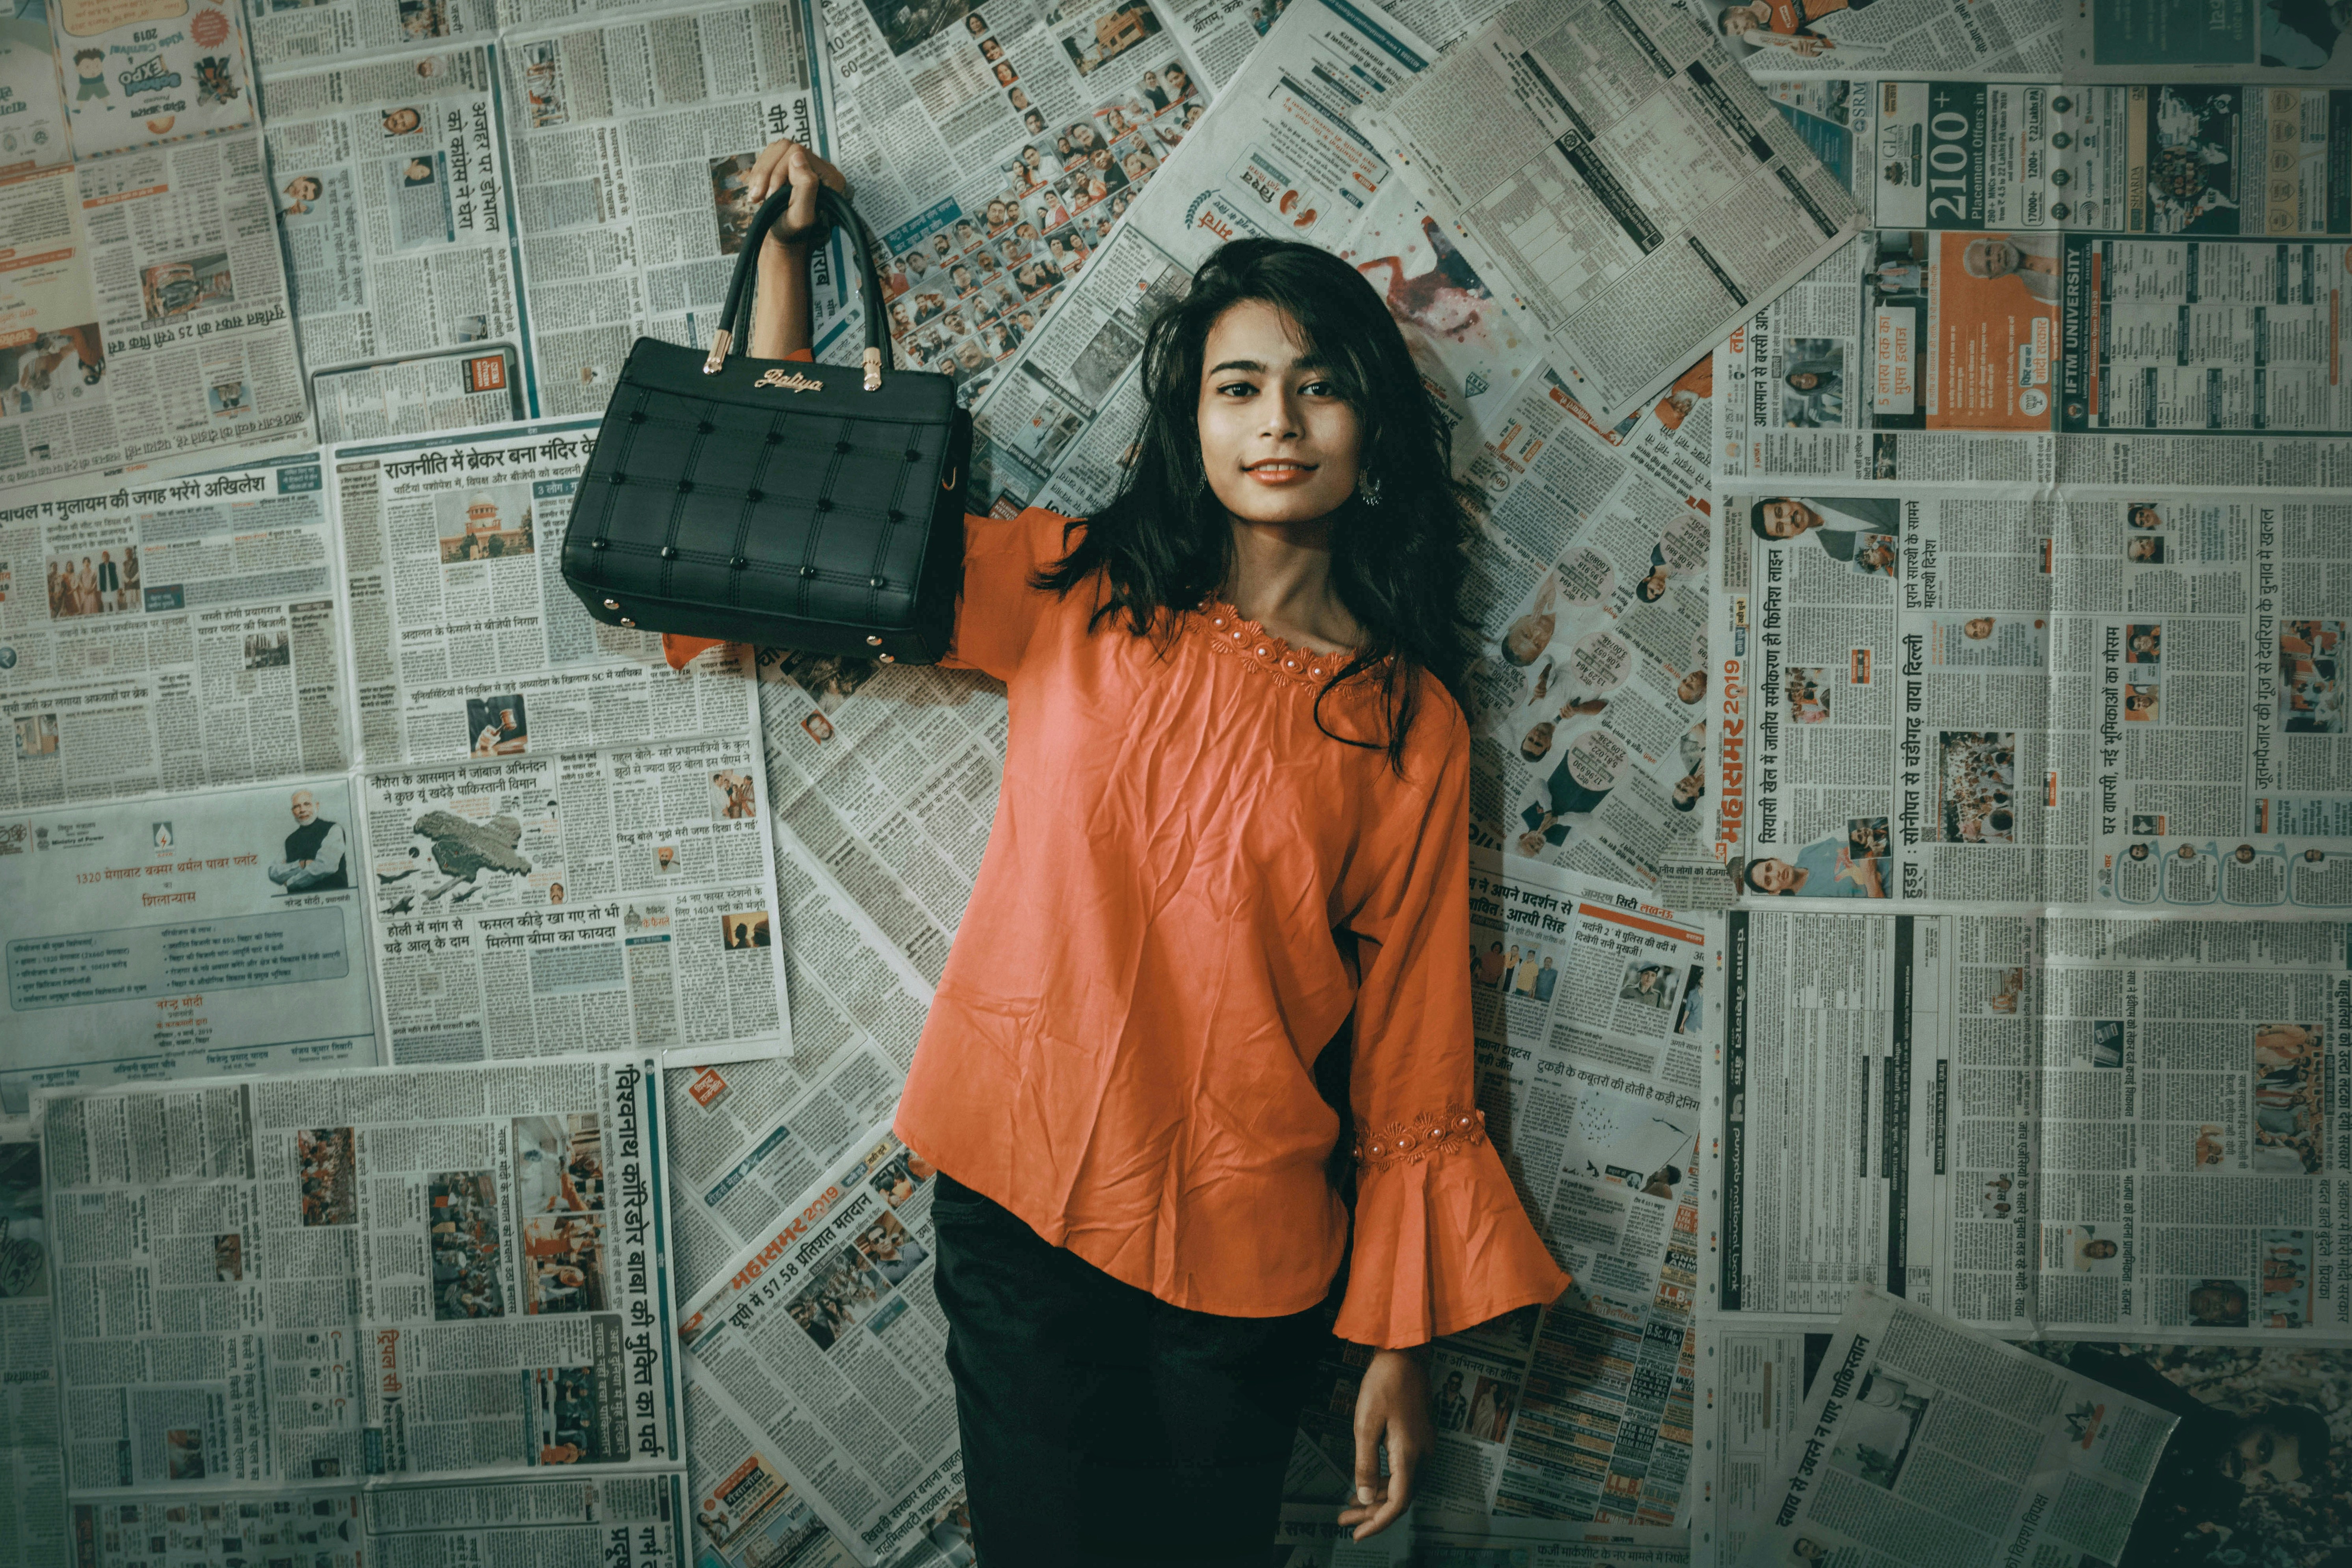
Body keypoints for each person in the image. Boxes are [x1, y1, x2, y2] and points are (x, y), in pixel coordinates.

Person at [723, 137, 1571, 1566]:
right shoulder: (1075, 589)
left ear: (1371, 429)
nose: (1277, 420)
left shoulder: (1406, 720)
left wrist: (1396, 1342)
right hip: (1019, 1208)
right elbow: (802, 515)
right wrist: (788, 263)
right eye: (1236, 387)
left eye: (1318, 385)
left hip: (1246, 1261)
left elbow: (1414, 1047)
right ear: (1189, 422)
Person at [1749, 496, 1901, 564]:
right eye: (1781, 528)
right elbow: (1892, 562)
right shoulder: (1837, 551)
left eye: (1780, 512)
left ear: (1785, 499)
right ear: (1789, 537)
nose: (1788, 520)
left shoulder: (1824, 486)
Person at [270, 790, 350, 892]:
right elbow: (273, 872)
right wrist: (301, 865)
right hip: (298, 900)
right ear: (293, 812)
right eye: (297, 807)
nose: (302, 810)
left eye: (307, 804)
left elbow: (325, 867)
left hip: (332, 897)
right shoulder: (290, 840)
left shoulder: (333, 829)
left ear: (317, 806)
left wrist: (291, 882)